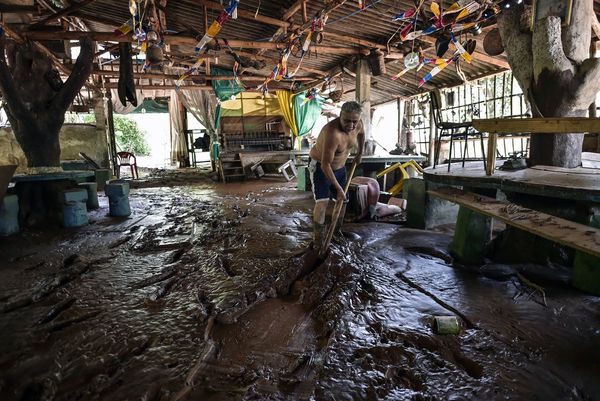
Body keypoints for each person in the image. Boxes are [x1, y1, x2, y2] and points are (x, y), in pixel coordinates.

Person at [308, 101, 365, 245]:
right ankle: (318, 240)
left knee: (343, 200)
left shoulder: (358, 124)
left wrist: (360, 153)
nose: (351, 125)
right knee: (323, 202)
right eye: (347, 121)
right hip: (321, 166)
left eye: (354, 121)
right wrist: (338, 188)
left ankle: (336, 230)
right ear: (340, 115)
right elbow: (325, 165)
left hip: (340, 167)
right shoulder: (332, 133)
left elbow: (361, 134)